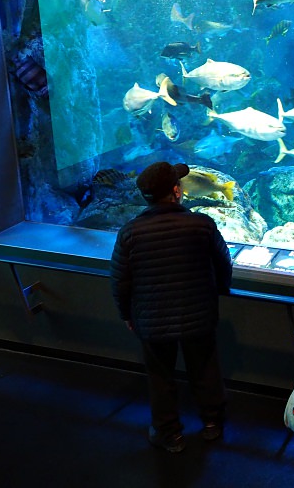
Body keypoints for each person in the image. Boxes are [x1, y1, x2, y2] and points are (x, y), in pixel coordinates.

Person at [110, 161, 233, 453]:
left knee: (160, 375)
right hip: (199, 315)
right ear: (177, 191)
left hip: (151, 320)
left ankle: (169, 434)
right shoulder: (202, 224)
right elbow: (223, 263)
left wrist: (126, 313)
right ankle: (212, 424)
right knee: (204, 367)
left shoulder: (130, 232)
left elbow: (120, 280)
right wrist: (219, 290)